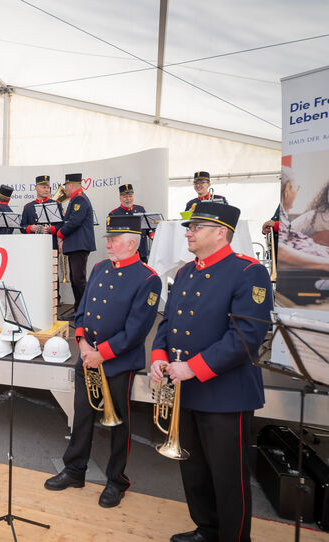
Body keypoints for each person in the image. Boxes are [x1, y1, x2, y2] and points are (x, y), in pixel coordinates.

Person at [150, 201, 272, 542]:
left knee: (228, 477)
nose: (187, 233)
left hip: (225, 393)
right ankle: (207, 528)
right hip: (186, 389)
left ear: (221, 232)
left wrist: (193, 367)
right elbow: (169, 322)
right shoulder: (186, 272)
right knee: (194, 470)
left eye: (195, 228)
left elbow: (246, 337)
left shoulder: (249, 272)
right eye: (189, 227)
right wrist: (159, 355)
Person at [45, 215, 161, 508]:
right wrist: (82, 342)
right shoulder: (99, 267)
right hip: (88, 356)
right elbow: (81, 310)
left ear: (132, 243)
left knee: (119, 423)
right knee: (82, 414)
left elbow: (136, 331)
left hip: (117, 362)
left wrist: (101, 354)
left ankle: (116, 480)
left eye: (114, 239)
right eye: (108, 238)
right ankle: (74, 469)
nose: (107, 243)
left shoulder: (149, 278)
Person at [57, 173, 95, 311]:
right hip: (75, 245)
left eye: (66, 186)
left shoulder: (80, 200)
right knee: (75, 280)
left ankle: (86, 310)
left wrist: (60, 234)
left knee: (79, 280)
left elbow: (74, 222)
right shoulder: (75, 199)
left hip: (79, 245)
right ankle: (79, 309)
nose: (65, 189)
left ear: (71, 185)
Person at [108, 184, 149, 261]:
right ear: (120, 198)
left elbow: (147, 227)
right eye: (125, 197)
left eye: (130, 196)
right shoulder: (114, 214)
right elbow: (112, 235)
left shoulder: (140, 209)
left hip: (142, 251)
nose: (128, 199)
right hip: (125, 251)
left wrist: (152, 234)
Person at [20, 175, 63, 250]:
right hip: (33, 246)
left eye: (48, 187)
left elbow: (61, 225)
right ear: (36, 188)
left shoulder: (56, 204)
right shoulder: (28, 207)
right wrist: (31, 228)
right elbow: (22, 227)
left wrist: (51, 229)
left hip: (51, 245)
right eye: (44, 187)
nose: (47, 190)